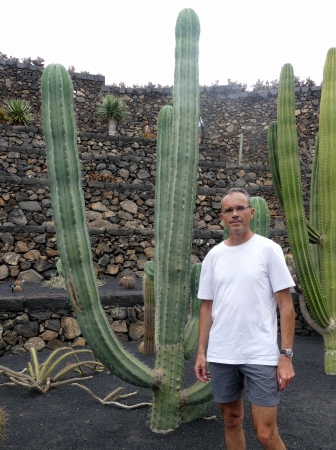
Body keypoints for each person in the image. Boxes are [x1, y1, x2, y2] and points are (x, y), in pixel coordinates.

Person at [194, 187, 295, 450]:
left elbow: (286, 307)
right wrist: (201, 353)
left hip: (260, 354)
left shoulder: (268, 250)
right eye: (229, 210)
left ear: (251, 213)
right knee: (231, 420)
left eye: (240, 208)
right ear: (222, 217)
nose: (235, 214)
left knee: (265, 433)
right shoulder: (214, 256)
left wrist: (286, 356)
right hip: (222, 353)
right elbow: (207, 307)